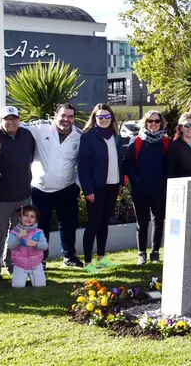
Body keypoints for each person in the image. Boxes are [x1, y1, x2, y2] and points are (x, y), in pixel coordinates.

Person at [24, 103, 84, 269]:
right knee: (40, 226)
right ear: (55, 114)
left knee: (68, 224)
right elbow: (16, 125)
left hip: (67, 188)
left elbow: (84, 163)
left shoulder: (79, 136)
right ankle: (40, 260)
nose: (66, 119)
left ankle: (69, 257)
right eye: (63, 115)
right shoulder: (40, 128)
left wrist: (77, 185)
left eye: (70, 116)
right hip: (40, 188)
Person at [0, 106, 36, 279]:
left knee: (17, 234)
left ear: (19, 120)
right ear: (0, 120)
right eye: (6, 119)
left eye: (14, 118)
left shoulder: (27, 135)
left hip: (23, 195)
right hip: (1, 197)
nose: (11, 122)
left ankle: (12, 265)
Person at [78, 104, 123, 272]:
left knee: (104, 223)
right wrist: (88, 189)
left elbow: (119, 162)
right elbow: (83, 166)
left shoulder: (116, 136)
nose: (104, 120)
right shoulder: (88, 136)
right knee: (93, 224)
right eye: (100, 117)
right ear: (94, 118)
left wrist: (120, 184)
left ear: (111, 118)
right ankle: (88, 263)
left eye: (107, 116)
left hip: (113, 185)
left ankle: (101, 258)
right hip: (96, 187)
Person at [124, 111, 169, 265]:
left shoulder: (165, 142)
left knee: (158, 221)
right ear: (145, 122)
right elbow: (127, 164)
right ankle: (141, 253)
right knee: (142, 223)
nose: (154, 124)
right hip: (140, 190)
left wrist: (164, 181)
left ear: (161, 123)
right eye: (151, 121)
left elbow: (169, 165)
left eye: (157, 121)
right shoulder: (136, 141)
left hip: (159, 190)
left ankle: (155, 252)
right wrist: (136, 180)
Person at [7, 205, 48, 288]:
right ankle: (22, 278)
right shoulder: (14, 232)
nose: (29, 218)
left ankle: (35, 277)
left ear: (35, 220)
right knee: (18, 286)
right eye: (26, 215)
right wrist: (18, 237)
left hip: (36, 265)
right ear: (20, 217)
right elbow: (11, 246)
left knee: (40, 285)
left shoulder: (39, 232)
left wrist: (35, 244)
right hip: (20, 265)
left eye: (32, 217)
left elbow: (45, 246)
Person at [166, 113, 191, 178]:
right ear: (181, 128)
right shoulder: (175, 146)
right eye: (187, 125)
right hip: (181, 184)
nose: (190, 128)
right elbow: (170, 171)